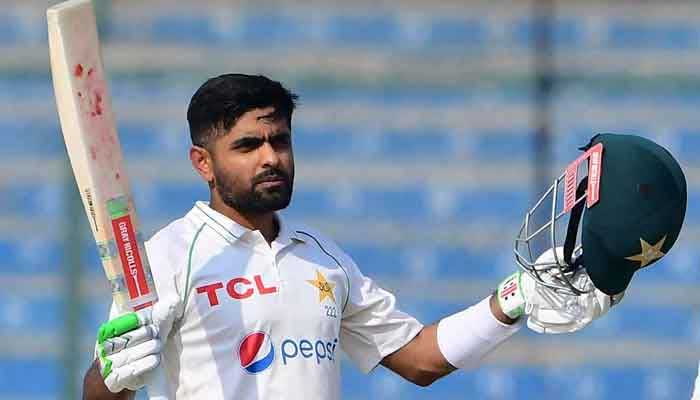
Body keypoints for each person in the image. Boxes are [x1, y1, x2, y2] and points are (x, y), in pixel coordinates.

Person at [81, 74, 686, 400]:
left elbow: (418, 361)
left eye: (280, 141)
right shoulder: (166, 257)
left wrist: (514, 300)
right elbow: (101, 397)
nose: (270, 158)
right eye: (247, 146)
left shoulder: (322, 258)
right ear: (202, 162)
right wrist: (112, 379)